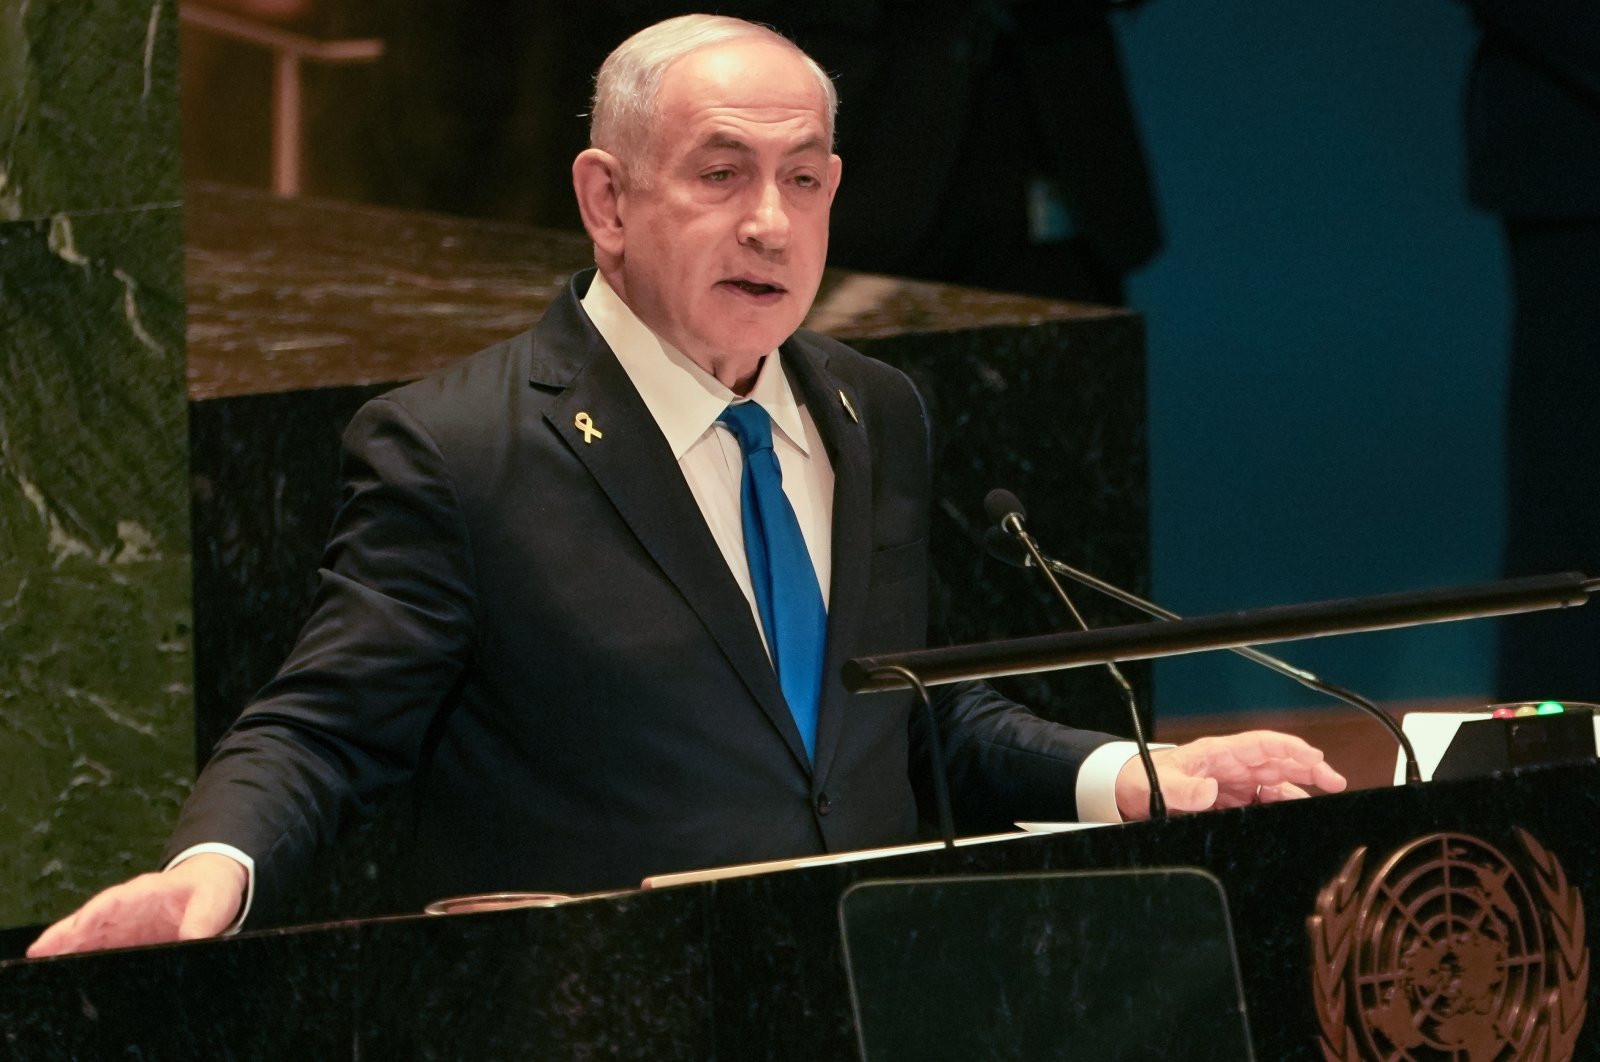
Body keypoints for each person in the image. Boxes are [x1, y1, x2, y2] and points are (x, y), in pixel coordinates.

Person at [28, 14, 1344, 959]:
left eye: (806, 180)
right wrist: (210, 874)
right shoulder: (462, 447)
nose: (771, 222)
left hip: (860, 992)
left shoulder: (872, 410)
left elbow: (894, 719)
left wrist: (1138, 770)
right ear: (606, 200)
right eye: (721, 174)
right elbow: (322, 729)